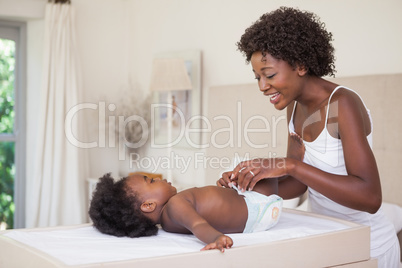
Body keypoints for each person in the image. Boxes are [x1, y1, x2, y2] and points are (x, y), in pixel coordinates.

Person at [217, 6, 400, 267]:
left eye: (269, 75)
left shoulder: (342, 104)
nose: (262, 86)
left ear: (301, 65)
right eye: (257, 77)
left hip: (369, 247)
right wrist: (249, 183)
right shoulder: (293, 106)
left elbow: (370, 198)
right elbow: (299, 184)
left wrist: (289, 164)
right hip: (328, 240)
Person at [89, 173, 282, 252]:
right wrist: (215, 238)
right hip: (257, 205)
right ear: (148, 205)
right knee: (263, 169)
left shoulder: (169, 221)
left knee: (259, 176)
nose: (160, 177)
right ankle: (296, 159)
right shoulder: (174, 205)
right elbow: (198, 225)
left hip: (254, 211)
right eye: (152, 181)